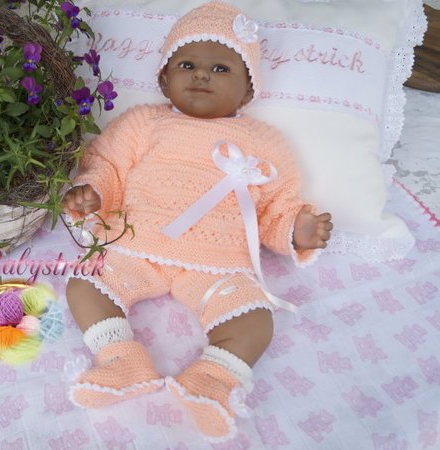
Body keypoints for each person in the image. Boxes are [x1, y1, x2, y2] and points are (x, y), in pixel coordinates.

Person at [61, 1, 333, 442]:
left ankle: (212, 378)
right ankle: (121, 358)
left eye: (221, 68)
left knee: (254, 319)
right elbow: (107, 165)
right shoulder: (143, 122)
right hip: (136, 246)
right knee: (85, 282)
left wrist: (296, 230)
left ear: (247, 90)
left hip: (217, 264)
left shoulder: (264, 142)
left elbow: (275, 208)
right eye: (187, 64)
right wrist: (92, 191)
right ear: (164, 78)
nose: (202, 75)